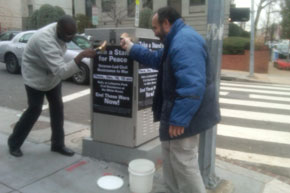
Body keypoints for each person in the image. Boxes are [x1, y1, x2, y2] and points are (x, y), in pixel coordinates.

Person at [120, 6, 220, 193]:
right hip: (175, 112)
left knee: (183, 161)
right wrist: (131, 47)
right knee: (171, 156)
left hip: (184, 116)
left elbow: (192, 85)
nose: (155, 33)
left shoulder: (185, 42)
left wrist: (179, 119)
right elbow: (156, 59)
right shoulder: (176, 39)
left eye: (156, 28)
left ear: (167, 23)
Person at [7, 15, 96, 157]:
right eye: (68, 36)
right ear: (59, 30)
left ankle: (57, 145)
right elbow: (61, 72)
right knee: (34, 109)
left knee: (57, 109)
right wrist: (81, 56)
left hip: (51, 76)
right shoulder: (45, 40)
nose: (70, 39)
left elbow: (57, 68)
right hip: (35, 76)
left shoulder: (62, 29)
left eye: (73, 35)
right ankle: (14, 142)